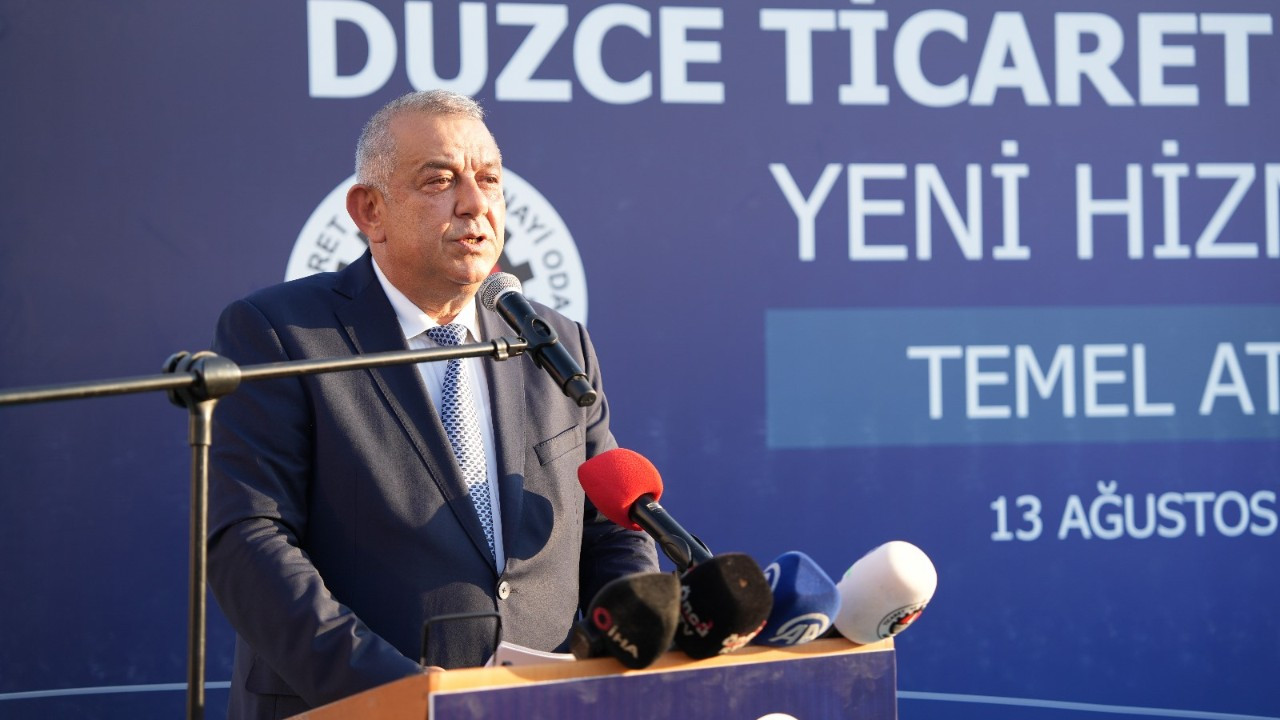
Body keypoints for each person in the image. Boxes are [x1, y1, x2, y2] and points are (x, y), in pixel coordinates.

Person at [206, 90, 659, 719]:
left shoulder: (555, 343)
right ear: (370, 211)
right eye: (440, 180)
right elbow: (249, 542)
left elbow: (609, 528)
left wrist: (639, 636)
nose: (475, 204)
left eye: (489, 179)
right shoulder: (282, 334)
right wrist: (394, 693)